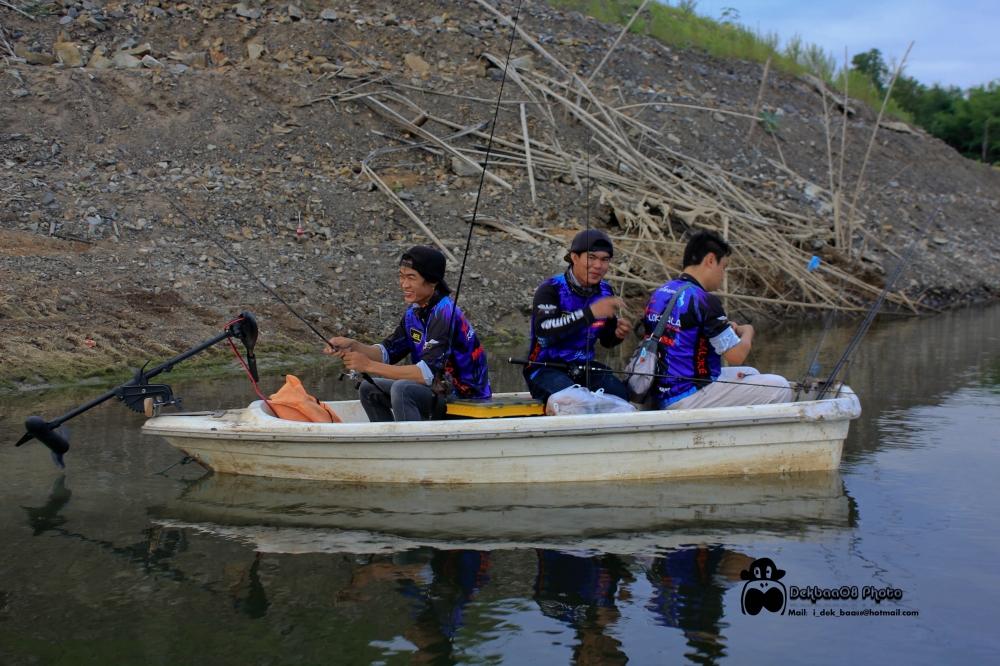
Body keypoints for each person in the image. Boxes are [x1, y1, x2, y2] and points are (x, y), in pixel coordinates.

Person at [325, 245, 491, 421]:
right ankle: (388, 442)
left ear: (432, 281)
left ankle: (410, 445)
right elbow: (387, 352)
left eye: (411, 278)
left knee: (402, 389)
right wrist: (354, 346)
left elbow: (425, 374)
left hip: (464, 399)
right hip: (436, 391)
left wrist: (367, 366)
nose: (404, 284)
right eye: (401, 277)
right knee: (368, 388)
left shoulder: (444, 313)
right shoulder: (414, 312)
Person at [643, 230, 792, 409]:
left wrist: (724, 329)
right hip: (687, 395)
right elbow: (736, 356)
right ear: (711, 260)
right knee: (781, 387)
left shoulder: (661, 292)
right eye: (724, 267)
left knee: (750, 373)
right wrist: (747, 331)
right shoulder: (704, 299)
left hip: (661, 392)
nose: (723, 275)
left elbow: (681, 333)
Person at [523, 229, 631, 403]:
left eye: (605, 260)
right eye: (591, 257)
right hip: (544, 368)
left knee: (622, 396)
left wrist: (617, 334)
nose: (598, 265)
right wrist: (590, 313)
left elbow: (606, 341)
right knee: (575, 401)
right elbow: (543, 331)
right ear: (574, 257)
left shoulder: (605, 291)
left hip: (584, 368)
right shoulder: (551, 289)